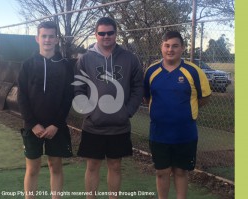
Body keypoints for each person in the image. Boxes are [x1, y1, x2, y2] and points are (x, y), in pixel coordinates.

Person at [73, 17, 143, 199]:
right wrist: (88, 112)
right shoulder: (85, 59)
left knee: (115, 166)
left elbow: (138, 87)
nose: (106, 36)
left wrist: (127, 112)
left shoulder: (130, 58)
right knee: (92, 166)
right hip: (93, 125)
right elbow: (78, 88)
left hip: (119, 125)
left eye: (110, 32)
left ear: (116, 34)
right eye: (101, 33)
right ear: (96, 35)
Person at [143, 30, 212, 199]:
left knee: (181, 171)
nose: (170, 50)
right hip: (159, 133)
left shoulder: (193, 71)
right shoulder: (151, 71)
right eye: (167, 46)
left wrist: (185, 112)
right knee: (162, 172)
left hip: (185, 133)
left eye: (175, 46)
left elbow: (204, 97)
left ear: (182, 48)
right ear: (162, 47)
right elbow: (147, 97)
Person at [17, 21, 73, 199]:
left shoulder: (65, 65)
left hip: (55, 127)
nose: (47, 39)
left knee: (55, 166)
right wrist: (32, 124)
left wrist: (56, 124)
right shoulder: (27, 64)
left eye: (51, 36)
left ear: (57, 39)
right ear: (37, 38)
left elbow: (67, 97)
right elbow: (22, 96)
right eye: (44, 36)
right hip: (32, 127)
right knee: (32, 169)